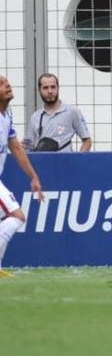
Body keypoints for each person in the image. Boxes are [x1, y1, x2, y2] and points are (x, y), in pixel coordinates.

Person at [0, 76, 47, 276]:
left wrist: (33, 176)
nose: (8, 85)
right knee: (16, 215)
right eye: (2, 84)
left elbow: (16, 147)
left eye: (7, 82)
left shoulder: (7, 114)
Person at [22, 73, 92, 152]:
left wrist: (78, 160)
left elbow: (87, 141)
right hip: (43, 163)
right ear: (39, 90)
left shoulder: (72, 112)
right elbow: (28, 146)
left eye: (53, 87)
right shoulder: (35, 117)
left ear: (58, 88)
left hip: (65, 162)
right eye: (45, 88)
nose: (50, 91)